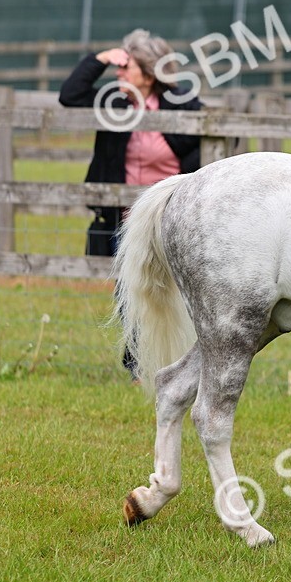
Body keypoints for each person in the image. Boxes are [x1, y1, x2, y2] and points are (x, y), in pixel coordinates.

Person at [59, 28, 202, 375]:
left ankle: (180, 360)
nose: (119, 75)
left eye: (127, 68)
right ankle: (138, 366)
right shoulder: (115, 105)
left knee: (175, 294)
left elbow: (201, 152)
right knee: (131, 292)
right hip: (123, 218)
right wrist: (102, 58)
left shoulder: (183, 105)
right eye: (118, 69)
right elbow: (70, 94)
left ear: (150, 73)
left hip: (170, 219)